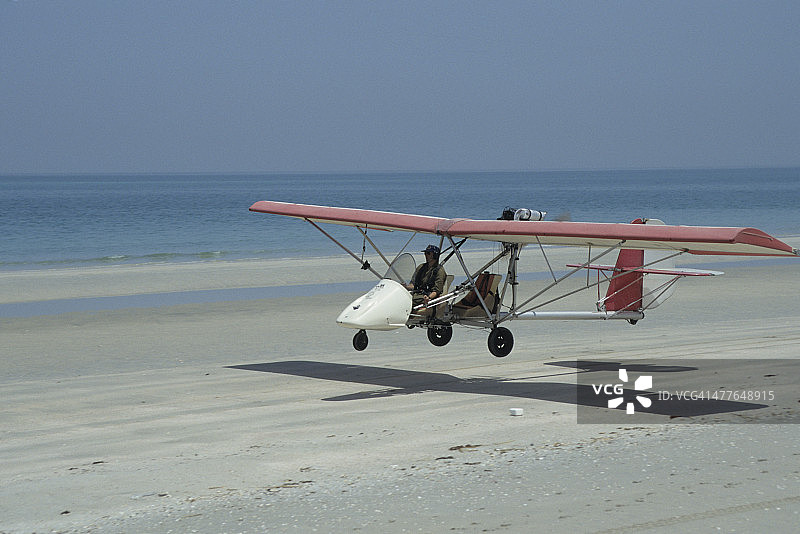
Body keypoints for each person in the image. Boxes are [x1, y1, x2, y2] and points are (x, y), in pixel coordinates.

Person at [406, 244, 447, 311]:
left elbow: (437, 291)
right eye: (425, 253)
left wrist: (429, 298)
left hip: (426, 297)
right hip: (417, 294)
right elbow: (413, 284)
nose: (426, 255)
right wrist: (404, 286)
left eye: (428, 253)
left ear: (435, 255)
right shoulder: (421, 267)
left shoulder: (439, 271)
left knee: (407, 303)